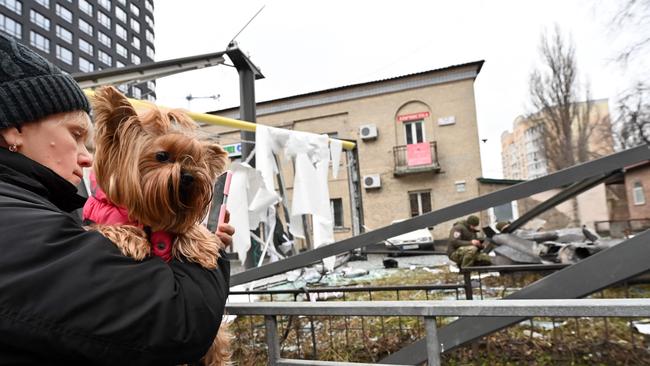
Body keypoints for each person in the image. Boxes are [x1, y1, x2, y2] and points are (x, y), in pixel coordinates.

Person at [0, 34, 234, 364]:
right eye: (76, 135)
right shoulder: (14, 220)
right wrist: (202, 243)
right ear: (15, 129)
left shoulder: (47, 205)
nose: (86, 158)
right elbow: (179, 319)